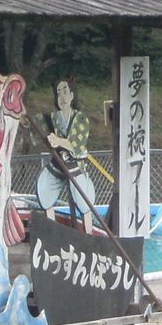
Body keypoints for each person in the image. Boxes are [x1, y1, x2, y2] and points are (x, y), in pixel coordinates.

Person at [35, 79, 96, 234]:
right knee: (45, 188)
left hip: (75, 166)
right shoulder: (53, 118)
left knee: (83, 201)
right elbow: (37, 125)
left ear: (72, 95)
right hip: (58, 163)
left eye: (65, 91)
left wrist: (59, 141)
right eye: (58, 93)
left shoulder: (80, 118)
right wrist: (25, 122)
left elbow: (77, 145)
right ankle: (51, 230)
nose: (62, 96)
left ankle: (88, 234)